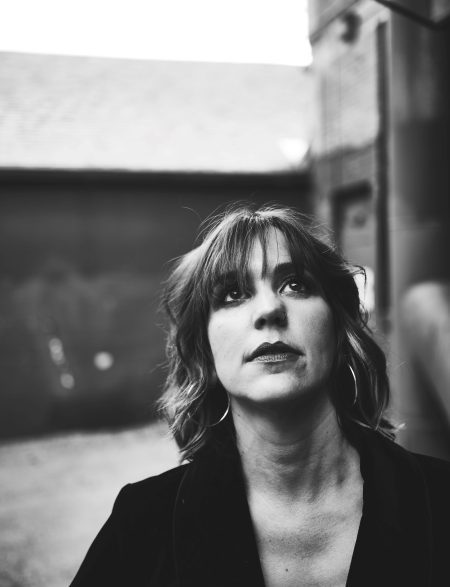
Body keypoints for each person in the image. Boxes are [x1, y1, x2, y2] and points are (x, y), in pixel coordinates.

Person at [70, 204, 449, 587]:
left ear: (338, 329)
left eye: (295, 285)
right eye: (233, 294)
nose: (269, 309)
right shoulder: (141, 524)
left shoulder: (440, 498)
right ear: (205, 350)